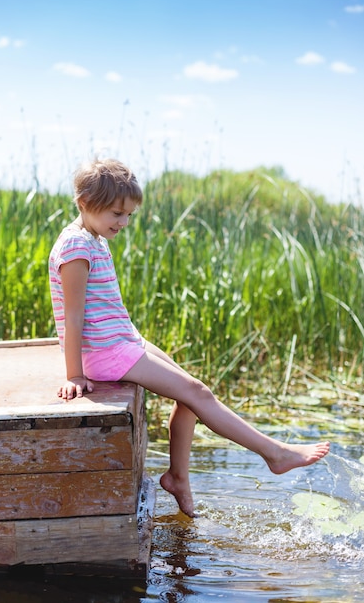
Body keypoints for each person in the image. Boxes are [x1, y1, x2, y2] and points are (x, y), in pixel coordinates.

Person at [48, 158, 330, 518]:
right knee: (198, 393)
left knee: (193, 396)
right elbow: (72, 317)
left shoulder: (93, 238)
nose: (124, 223)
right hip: (105, 352)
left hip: (122, 340)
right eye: (117, 214)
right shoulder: (76, 247)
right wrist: (75, 375)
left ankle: (178, 477)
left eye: (129, 215)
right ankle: (275, 454)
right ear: (85, 202)